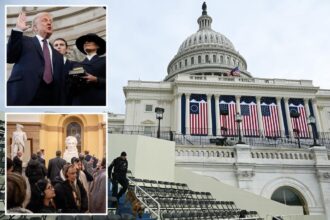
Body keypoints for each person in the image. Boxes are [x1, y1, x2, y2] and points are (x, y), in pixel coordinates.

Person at [7, 11, 65, 105]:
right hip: (23, 94)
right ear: (35, 27)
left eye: (50, 21)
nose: (49, 23)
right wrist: (18, 30)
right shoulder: (24, 41)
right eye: (44, 20)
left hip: (50, 99)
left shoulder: (58, 55)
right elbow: (9, 57)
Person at [73, 33, 106, 105]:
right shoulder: (76, 65)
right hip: (80, 101)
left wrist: (96, 79)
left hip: (98, 100)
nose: (86, 42)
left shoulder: (105, 61)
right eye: (85, 42)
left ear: (98, 46)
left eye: (90, 41)